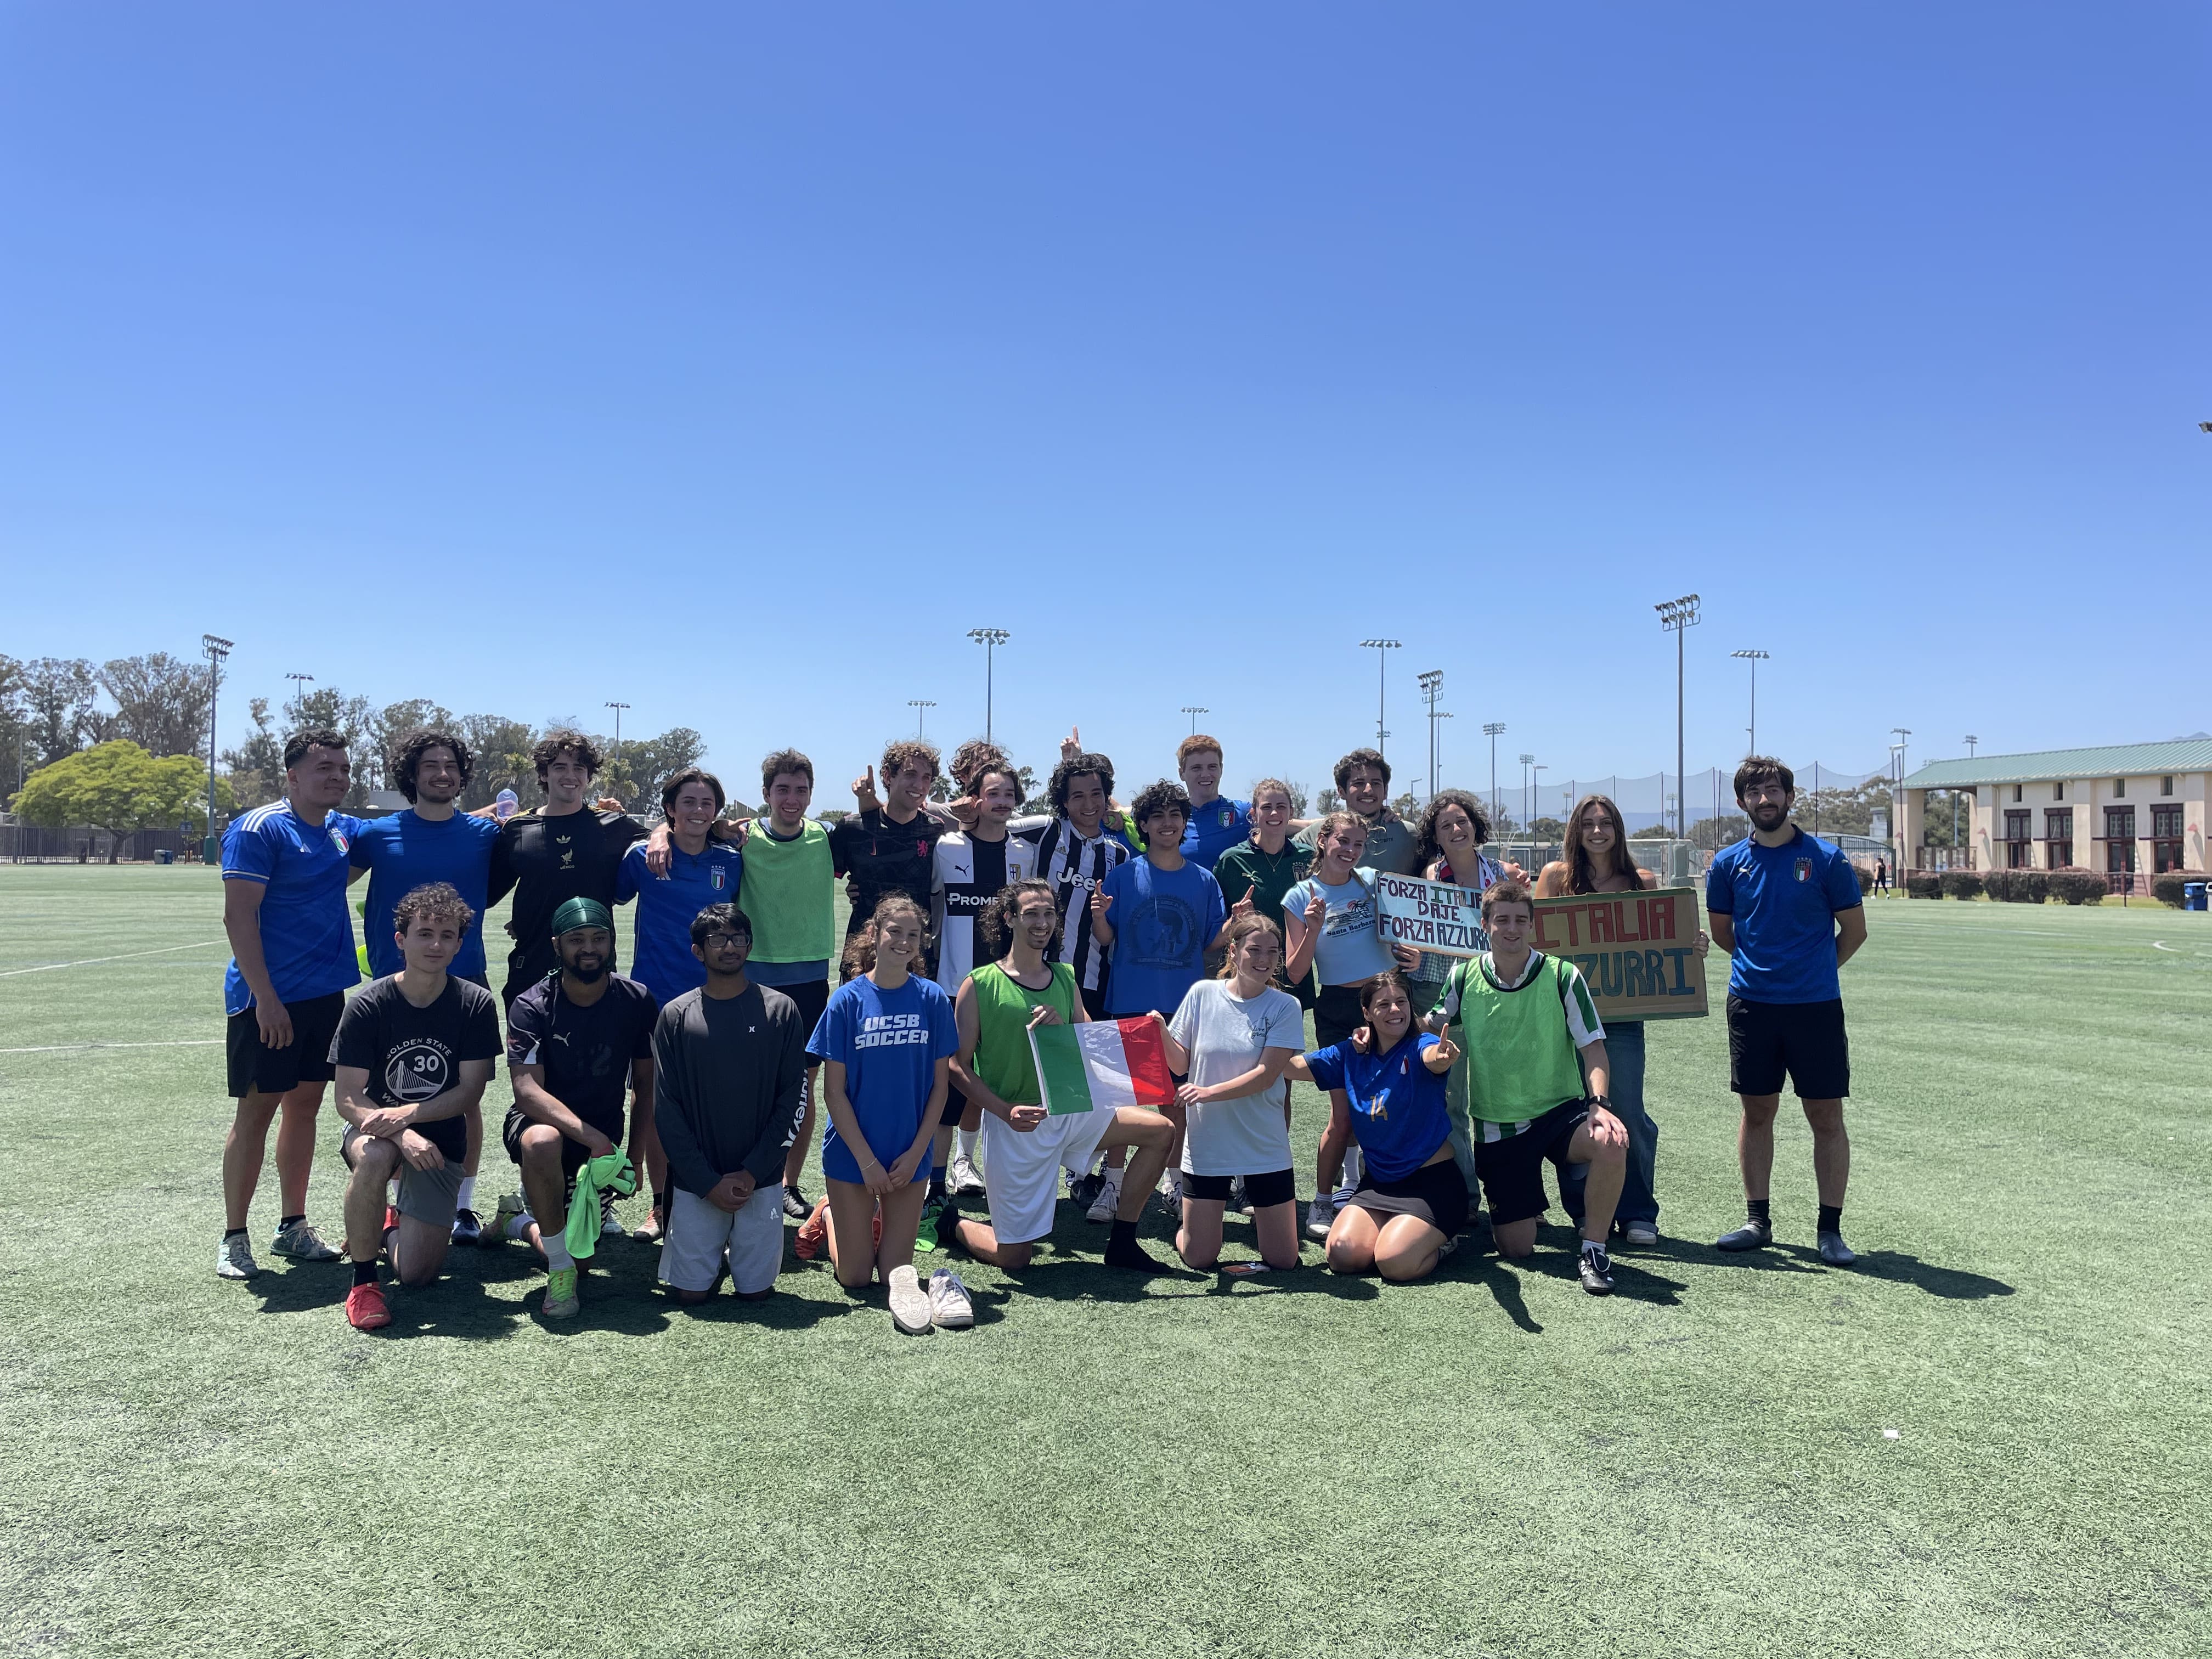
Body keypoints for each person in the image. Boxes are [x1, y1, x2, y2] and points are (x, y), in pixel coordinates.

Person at [934, 879, 1176, 1275]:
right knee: (1014, 1259)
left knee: (1161, 1131)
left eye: (1049, 914)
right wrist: (1004, 1110)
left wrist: (1065, 1026)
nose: (1042, 923)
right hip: (1018, 1125)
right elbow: (957, 1067)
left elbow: (1089, 1042)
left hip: (1071, 1109)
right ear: (1010, 918)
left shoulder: (1064, 976)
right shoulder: (979, 984)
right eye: (1031, 914)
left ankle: (1123, 1242)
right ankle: (953, 1223)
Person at [1705, 757, 1869, 1265]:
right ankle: (1758, 1220)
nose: (1765, 800)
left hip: (1815, 1007)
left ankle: (1830, 1230)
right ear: (1741, 803)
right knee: (1757, 1112)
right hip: (1752, 1006)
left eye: (1773, 791)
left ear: (1791, 797)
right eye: (1754, 794)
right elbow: (1723, 935)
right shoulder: (1727, 865)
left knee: (1826, 1115)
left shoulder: (1827, 860)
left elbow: (1855, 932)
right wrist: (1766, 970)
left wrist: (1815, 970)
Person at [216, 727, 363, 1279]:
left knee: (305, 1109)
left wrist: (502, 810)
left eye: (344, 769)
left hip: (326, 997)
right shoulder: (260, 828)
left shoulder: (341, 830)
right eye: (326, 768)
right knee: (256, 1112)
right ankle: (234, 1236)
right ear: (293, 775)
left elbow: (410, 825)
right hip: (267, 1002)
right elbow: (238, 917)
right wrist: (266, 1000)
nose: (338, 777)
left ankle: (292, 1227)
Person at [1434, 880, 1627, 1295]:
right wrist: (1378, 1029)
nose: (1512, 929)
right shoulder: (1464, 976)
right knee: (1517, 1249)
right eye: (1501, 920)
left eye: (1521, 920)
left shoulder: (1563, 975)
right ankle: (1524, 1208)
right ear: (1484, 924)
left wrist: (1599, 1104)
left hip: (1559, 1111)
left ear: (1533, 927)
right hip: (1498, 1123)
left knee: (1611, 1140)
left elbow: (1593, 1047)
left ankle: (1594, 1248)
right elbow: (1429, 1027)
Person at [348, 726, 503, 1244]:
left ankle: (462, 1206)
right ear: (410, 776)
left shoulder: (486, 836)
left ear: (463, 777)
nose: (442, 774)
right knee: (383, 1090)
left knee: (467, 1097)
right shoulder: (375, 834)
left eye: (451, 766)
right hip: (393, 986)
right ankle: (386, 1204)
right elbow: (323, 880)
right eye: (430, 766)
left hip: (465, 979)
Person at [1534, 793, 1708, 1248]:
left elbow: (1667, 939)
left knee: (1625, 1111)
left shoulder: (1641, 880)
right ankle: (1586, 1210)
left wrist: (1692, 947)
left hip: (1623, 1020)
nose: (1597, 831)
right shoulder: (1555, 877)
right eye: (1588, 823)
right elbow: (1534, 942)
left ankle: (1637, 1211)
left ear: (1618, 829)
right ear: (1576, 829)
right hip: (1563, 1019)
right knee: (1574, 1115)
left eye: (1606, 822)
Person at [328, 883, 501, 1328]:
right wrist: (401, 1132)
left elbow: (470, 1092)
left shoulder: (475, 1003)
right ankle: (364, 1285)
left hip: (440, 1143)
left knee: (418, 1275)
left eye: (447, 935)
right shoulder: (368, 1004)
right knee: (377, 1155)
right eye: (425, 933)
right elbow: (347, 1096)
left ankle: (385, 1225)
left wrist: (413, 1115)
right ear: (401, 940)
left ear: (460, 944)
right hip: (378, 1132)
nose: (436, 944)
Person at [799, 895, 972, 1333]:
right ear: (874, 934)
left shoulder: (932, 999)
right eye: (895, 932)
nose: (904, 942)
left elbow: (939, 1087)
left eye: (914, 935)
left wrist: (919, 1156)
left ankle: (865, 1216)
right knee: (856, 1278)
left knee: (895, 1273)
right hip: (854, 1155)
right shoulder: (846, 1001)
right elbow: (833, 1093)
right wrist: (867, 1162)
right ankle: (833, 1212)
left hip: (907, 1155)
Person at [487, 898, 660, 1318]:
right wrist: (593, 1138)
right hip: (538, 1127)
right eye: (577, 939)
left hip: (601, 1143)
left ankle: (517, 1222)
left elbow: (646, 1085)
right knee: (545, 1142)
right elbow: (527, 1092)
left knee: (584, 1259)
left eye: (599, 938)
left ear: (612, 943)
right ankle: (558, 1272)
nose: (589, 948)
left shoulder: (636, 1000)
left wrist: (633, 1160)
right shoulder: (531, 1005)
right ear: (557, 945)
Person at [651, 903, 810, 1306]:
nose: (730, 947)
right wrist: (706, 1181)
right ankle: (712, 1251)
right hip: (696, 1182)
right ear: (697, 951)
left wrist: (753, 1172)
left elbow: (794, 1099)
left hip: (761, 1179)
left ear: (750, 945)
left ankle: (733, 1250)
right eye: (717, 939)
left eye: (738, 938)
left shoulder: (781, 1010)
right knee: (691, 1295)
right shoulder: (675, 1015)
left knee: (755, 1293)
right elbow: (666, 1109)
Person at [1088, 780, 1229, 1214]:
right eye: (1159, 817)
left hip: (1183, 1007)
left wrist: (1234, 925)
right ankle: (1111, 1185)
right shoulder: (1124, 873)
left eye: (1176, 816)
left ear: (1185, 823)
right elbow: (1107, 937)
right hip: (1130, 998)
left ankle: (1172, 1183)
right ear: (1144, 825)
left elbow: (1209, 942)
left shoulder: (1204, 880)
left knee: (1174, 1100)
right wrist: (1097, 917)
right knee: (1123, 1098)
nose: (1168, 824)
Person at [1283, 811, 1423, 1240]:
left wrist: (1415, 957)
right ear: (1323, 840)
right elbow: (1294, 970)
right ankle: (1324, 1200)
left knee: (1397, 1104)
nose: (1350, 850)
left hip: (1391, 997)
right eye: (1342, 841)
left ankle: (1380, 1187)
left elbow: (1408, 931)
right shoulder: (1299, 895)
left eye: (1357, 844)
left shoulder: (1374, 880)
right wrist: (1313, 928)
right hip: (1340, 1006)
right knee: (1343, 1116)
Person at [615, 766, 742, 1239]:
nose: (698, 811)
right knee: (651, 1101)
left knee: (714, 1103)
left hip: (718, 1000)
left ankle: (714, 1198)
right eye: (687, 802)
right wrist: (654, 834)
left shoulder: (730, 860)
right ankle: (660, 1205)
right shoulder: (643, 857)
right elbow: (609, 893)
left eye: (707, 804)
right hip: (653, 999)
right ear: (670, 809)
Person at [1284, 971, 1464, 1283]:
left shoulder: (1422, 1044)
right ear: (1366, 1013)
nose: (1395, 1010)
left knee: (1394, 1263)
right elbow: (1290, 1067)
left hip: (1432, 1184)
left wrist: (1443, 1057)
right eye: (1383, 1004)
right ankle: (1398, 1233)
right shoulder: (1351, 1053)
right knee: (1342, 1256)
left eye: (1401, 1002)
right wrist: (1256, 1040)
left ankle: (1444, 1240)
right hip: (1379, 1183)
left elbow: (1433, 1057)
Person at [1152, 913, 1306, 1272]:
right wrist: (1161, 1031)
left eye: (1272, 951)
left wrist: (1207, 1092)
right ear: (1234, 952)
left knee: (1283, 1260)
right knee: (1200, 1258)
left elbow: (1267, 1077)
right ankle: (1188, 1229)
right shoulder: (1202, 994)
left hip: (1263, 1143)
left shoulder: (1286, 1006)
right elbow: (1178, 1065)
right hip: (1208, 1141)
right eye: (1254, 950)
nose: (1264, 960)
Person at [928, 760, 1038, 1202]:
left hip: (1004, 983)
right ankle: (936, 1180)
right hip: (955, 982)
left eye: (1009, 795)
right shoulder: (946, 847)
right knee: (948, 1077)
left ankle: (965, 1161)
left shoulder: (1023, 854)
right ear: (975, 799)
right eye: (993, 794)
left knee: (987, 1075)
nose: (1001, 802)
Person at [486, 729, 648, 1009]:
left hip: (594, 967)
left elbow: (671, 838)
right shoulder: (517, 828)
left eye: (579, 768)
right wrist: (525, 917)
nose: (570, 776)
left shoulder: (613, 825)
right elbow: (488, 893)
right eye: (560, 767)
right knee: (529, 1054)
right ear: (544, 774)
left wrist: (660, 836)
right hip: (531, 966)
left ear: (588, 777)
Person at [1012, 749, 1135, 1020]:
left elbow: (1112, 931)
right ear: (1064, 802)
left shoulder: (1120, 855)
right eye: (1077, 796)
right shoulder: (1047, 830)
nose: (1089, 803)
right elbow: (994, 823)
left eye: (1096, 794)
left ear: (1106, 797)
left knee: (1088, 1060)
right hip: (1039, 972)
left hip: (1094, 980)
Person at [829, 740, 947, 968]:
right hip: (862, 955)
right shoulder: (852, 829)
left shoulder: (936, 831)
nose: (920, 785)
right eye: (911, 774)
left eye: (926, 778)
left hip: (916, 956)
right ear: (887, 776)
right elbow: (821, 880)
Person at [1212, 778, 1315, 1007]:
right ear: (1254, 814)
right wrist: (1235, 918)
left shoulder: (1307, 858)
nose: (1274, 813)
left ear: (1291, 813)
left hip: (1293, 971)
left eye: (1281, 807)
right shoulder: (1231, 860)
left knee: (1289, 1040)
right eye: (1266, 807)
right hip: (1246, 971)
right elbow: (1215, 927)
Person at [1293, 749, 1420, 875]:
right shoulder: (1319, 832)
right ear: (1341, 791)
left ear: (1386, 791)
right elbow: (1276, 836)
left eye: (1376, 783)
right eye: (1359, 783)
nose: (1368, 790)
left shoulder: (1409, 834)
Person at [1175, 734, 1251, 872]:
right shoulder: (1170, 818)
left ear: (1221, 769)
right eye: (1196, 768)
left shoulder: (1242, 813)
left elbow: (1279, 820)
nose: (1205, 774)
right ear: (1182, 773)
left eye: (1212, 767)